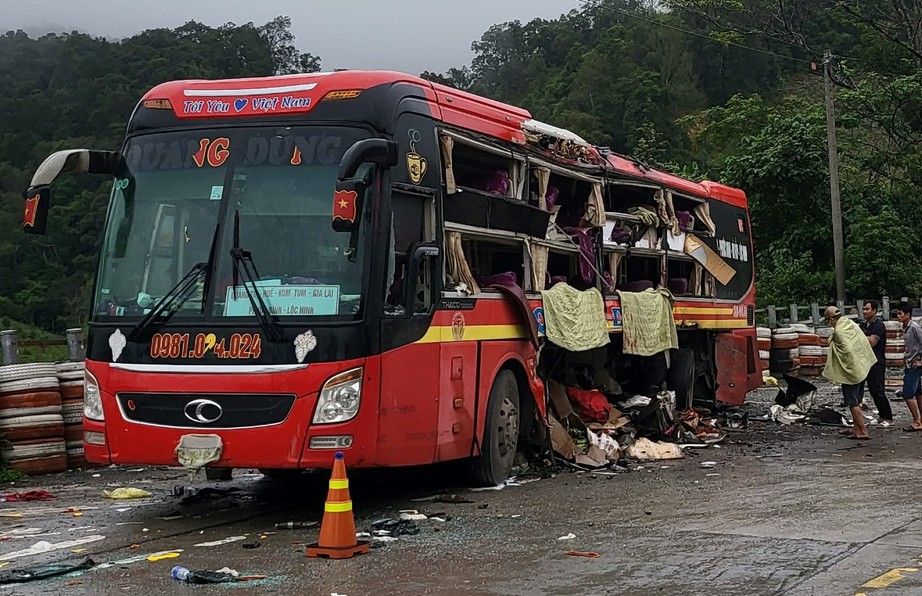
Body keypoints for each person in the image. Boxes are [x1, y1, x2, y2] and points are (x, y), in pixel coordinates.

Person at [822, 306, 877, 440]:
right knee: (857, 400)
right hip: (861, 366)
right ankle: (857, 428)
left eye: (829, 320)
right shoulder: (850, 324)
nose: (830, 323)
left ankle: (862, 431)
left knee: (852, 402)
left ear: (833, 319)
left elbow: (846, 351)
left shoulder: (840, 332)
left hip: (851, 371)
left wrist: (832, 341)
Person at [858, 300, 893, 426]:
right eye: (864, 309)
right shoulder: (863, 325)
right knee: (870, 390)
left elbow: (872, 342)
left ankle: (887, 416)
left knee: (878, 390)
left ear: (874, 310)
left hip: (877, 362)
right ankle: (881, 415)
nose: (865, 311)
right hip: (865, 361)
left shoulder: (878, 326)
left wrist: (860, 337)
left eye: (867, 309)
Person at [896, 301, 922, 431]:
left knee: (907, 394)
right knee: (918, 392)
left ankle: (917, 421)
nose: (898, 316)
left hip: (915, 364)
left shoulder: (915, 328)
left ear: (907, 314)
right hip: (909, 363)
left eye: (900, 313)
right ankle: (920, 419)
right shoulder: (905, 328)